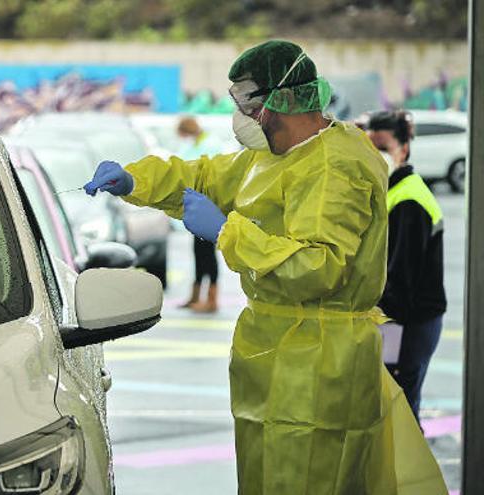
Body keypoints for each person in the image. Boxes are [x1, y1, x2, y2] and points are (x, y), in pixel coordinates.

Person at [84, 40, 446, 494]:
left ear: (281, 100)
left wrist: (227, 233)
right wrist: (136, 180)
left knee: (313, 478)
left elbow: (321, 266)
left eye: (248, 102)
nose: (242, 115)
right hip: (272, 358)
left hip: (321, 364)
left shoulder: (337, 165)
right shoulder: (271, 155)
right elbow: (204, 177)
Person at [363, 110, 447, 425]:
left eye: (383, 148)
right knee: (398, 408)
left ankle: (407, 475)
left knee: (399, 414)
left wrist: (380, 334)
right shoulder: (392, 191)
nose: (376, 156)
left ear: (404, 149)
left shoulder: (408, 201)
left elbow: (398, 283)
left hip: (409, 323)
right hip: (403, 319)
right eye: (369, 147)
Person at [176, 116, 223, 312]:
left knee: (208, 255)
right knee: (198, 253)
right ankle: (195, 296)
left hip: (209, 208)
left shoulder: (211, 145)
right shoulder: (197, 144)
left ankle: (211, 300)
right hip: (196, 206)